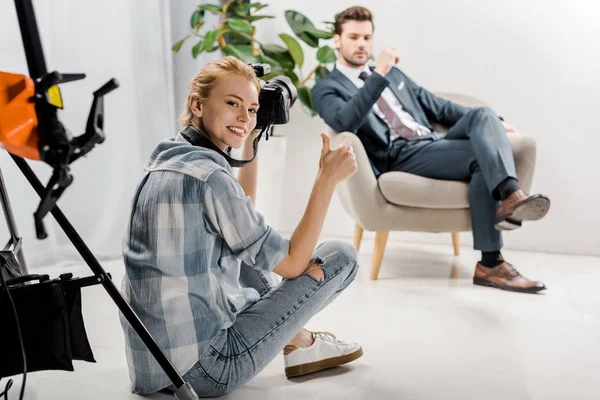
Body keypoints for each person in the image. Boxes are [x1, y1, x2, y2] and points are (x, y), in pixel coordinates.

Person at [120, 56, 362, 397]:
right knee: (342, 255)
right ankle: (301, 340)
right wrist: (326, 180)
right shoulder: (212, 179)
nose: (245, 118)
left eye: (252, 109)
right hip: (208, 369)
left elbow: (240, 220)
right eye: (232, 104)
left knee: (248, 247)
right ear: (197, 104)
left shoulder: (165, 160)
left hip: (153, 367)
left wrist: (251, 139)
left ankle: (298, 341)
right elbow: (292, 263)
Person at [312, 6, 550, 294]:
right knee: (481, 161)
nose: (362, 44)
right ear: (337, 40)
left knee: (483, 115)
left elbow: (438, 106)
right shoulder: (327, 87)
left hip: (432, 142)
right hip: (399, 154)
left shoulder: (393, 74)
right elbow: (345, 120)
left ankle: (509, 200)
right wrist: (379, 75)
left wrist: (496, 125)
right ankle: (492, 259)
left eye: (367, 37)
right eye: (353, 37)